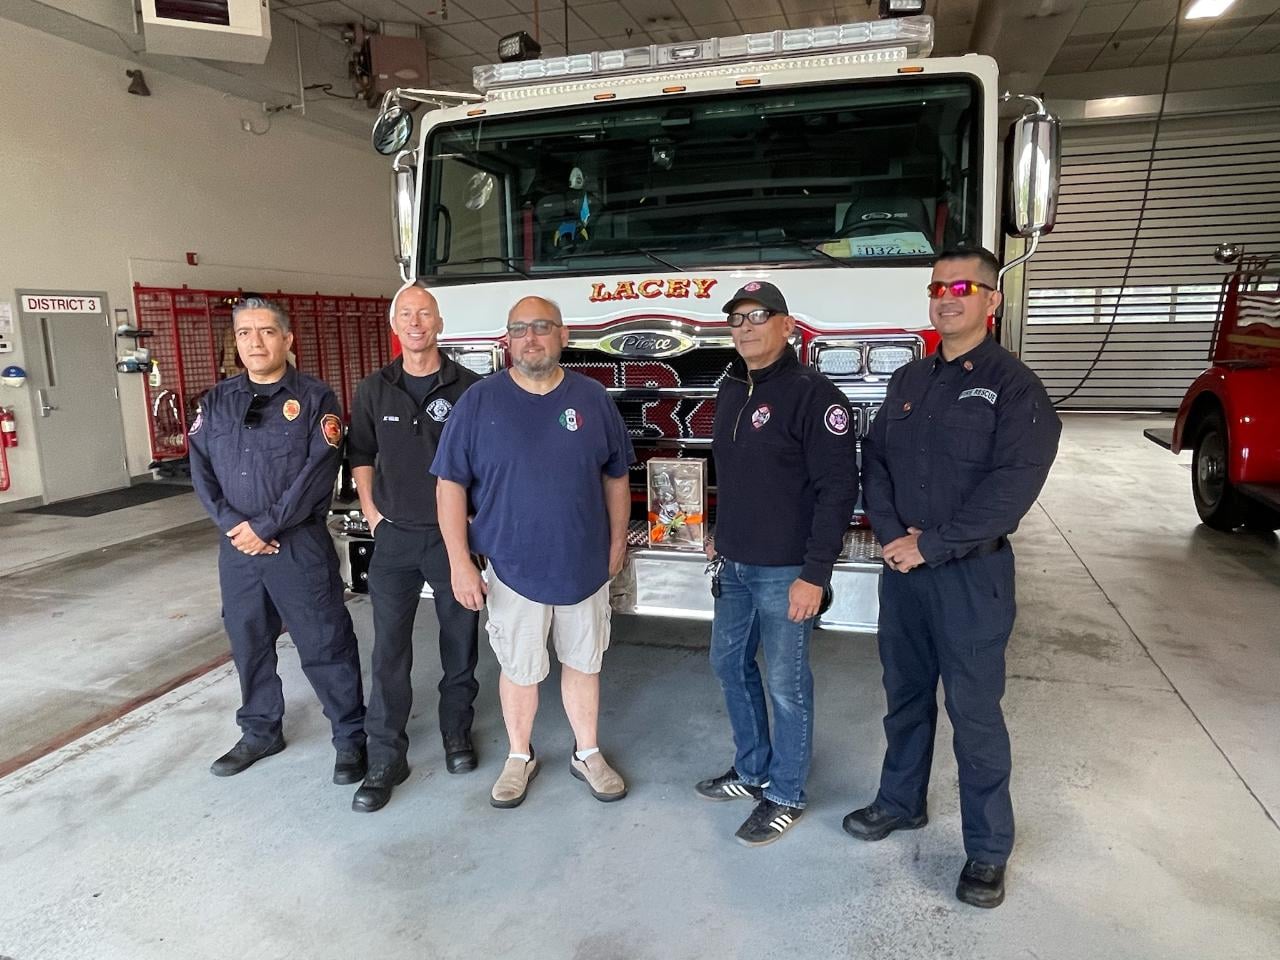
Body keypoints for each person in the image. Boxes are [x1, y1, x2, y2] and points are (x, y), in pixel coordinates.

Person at [843, 247, 1062, 908]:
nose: (947, 296)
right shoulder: (910, 381)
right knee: (905, 697)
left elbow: (1013, 488)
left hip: (972, 577)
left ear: (992, 302)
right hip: (905, 576)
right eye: (937, 287)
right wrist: (891, 537)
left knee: (974, 714)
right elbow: (875, 458)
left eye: (963, 286)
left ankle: (988, 850)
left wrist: (930, 544)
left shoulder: (1016, 386)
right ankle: (901, 801)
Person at [432, 295, 634, 809]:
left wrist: (617, 542)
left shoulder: (593, 398)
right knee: (519, 669)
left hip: (583, 565)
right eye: (519, 329)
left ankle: (586, 752)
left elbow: (616, 476)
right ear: (507, 340)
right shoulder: (478, 402)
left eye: (541, 327)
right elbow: (449, 485)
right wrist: (459, 562)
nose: (530, 338)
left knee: (584, 663)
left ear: (563, 335)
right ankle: (519, 756)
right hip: (510, 565)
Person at [697, 280, 859, 846]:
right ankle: (752, 768)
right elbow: (734, 474)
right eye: (736, 319)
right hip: (736, 565)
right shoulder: (729, 388)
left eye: (757, 316)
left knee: (787, 685)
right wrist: (721, 532)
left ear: (788, 326)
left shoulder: (815, 396)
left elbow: (838, 489)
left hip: (786, 570)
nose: (744, 327)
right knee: (727, 665)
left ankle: (786, 792)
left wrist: (815, 574)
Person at [189, 296, 366, 784]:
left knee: (324, 640)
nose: (254, 342)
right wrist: (234, 528)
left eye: (265, 331)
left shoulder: (315, 399)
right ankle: (261, 730)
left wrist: (265, 527)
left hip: (297, 545)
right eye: (244, 333)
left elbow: (317, 474)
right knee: (248, 641)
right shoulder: (216, 401)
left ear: (287, 340)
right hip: (238, 550)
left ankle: (351, 736)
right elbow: (201, 472)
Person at [344, 282, 483, 813]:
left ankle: (456, 735)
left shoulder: (470, 387)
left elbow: (482, 461)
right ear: (395, 326)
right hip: (395, 538)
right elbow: (360, 452)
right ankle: (386, 755)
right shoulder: (374, 388)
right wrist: (373, 514)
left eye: (425, 313)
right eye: (407, 314)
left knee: (459, 643)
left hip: (452, 541)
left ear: (440, 323)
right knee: (389, 651)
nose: (417, 322)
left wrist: (472, 525)